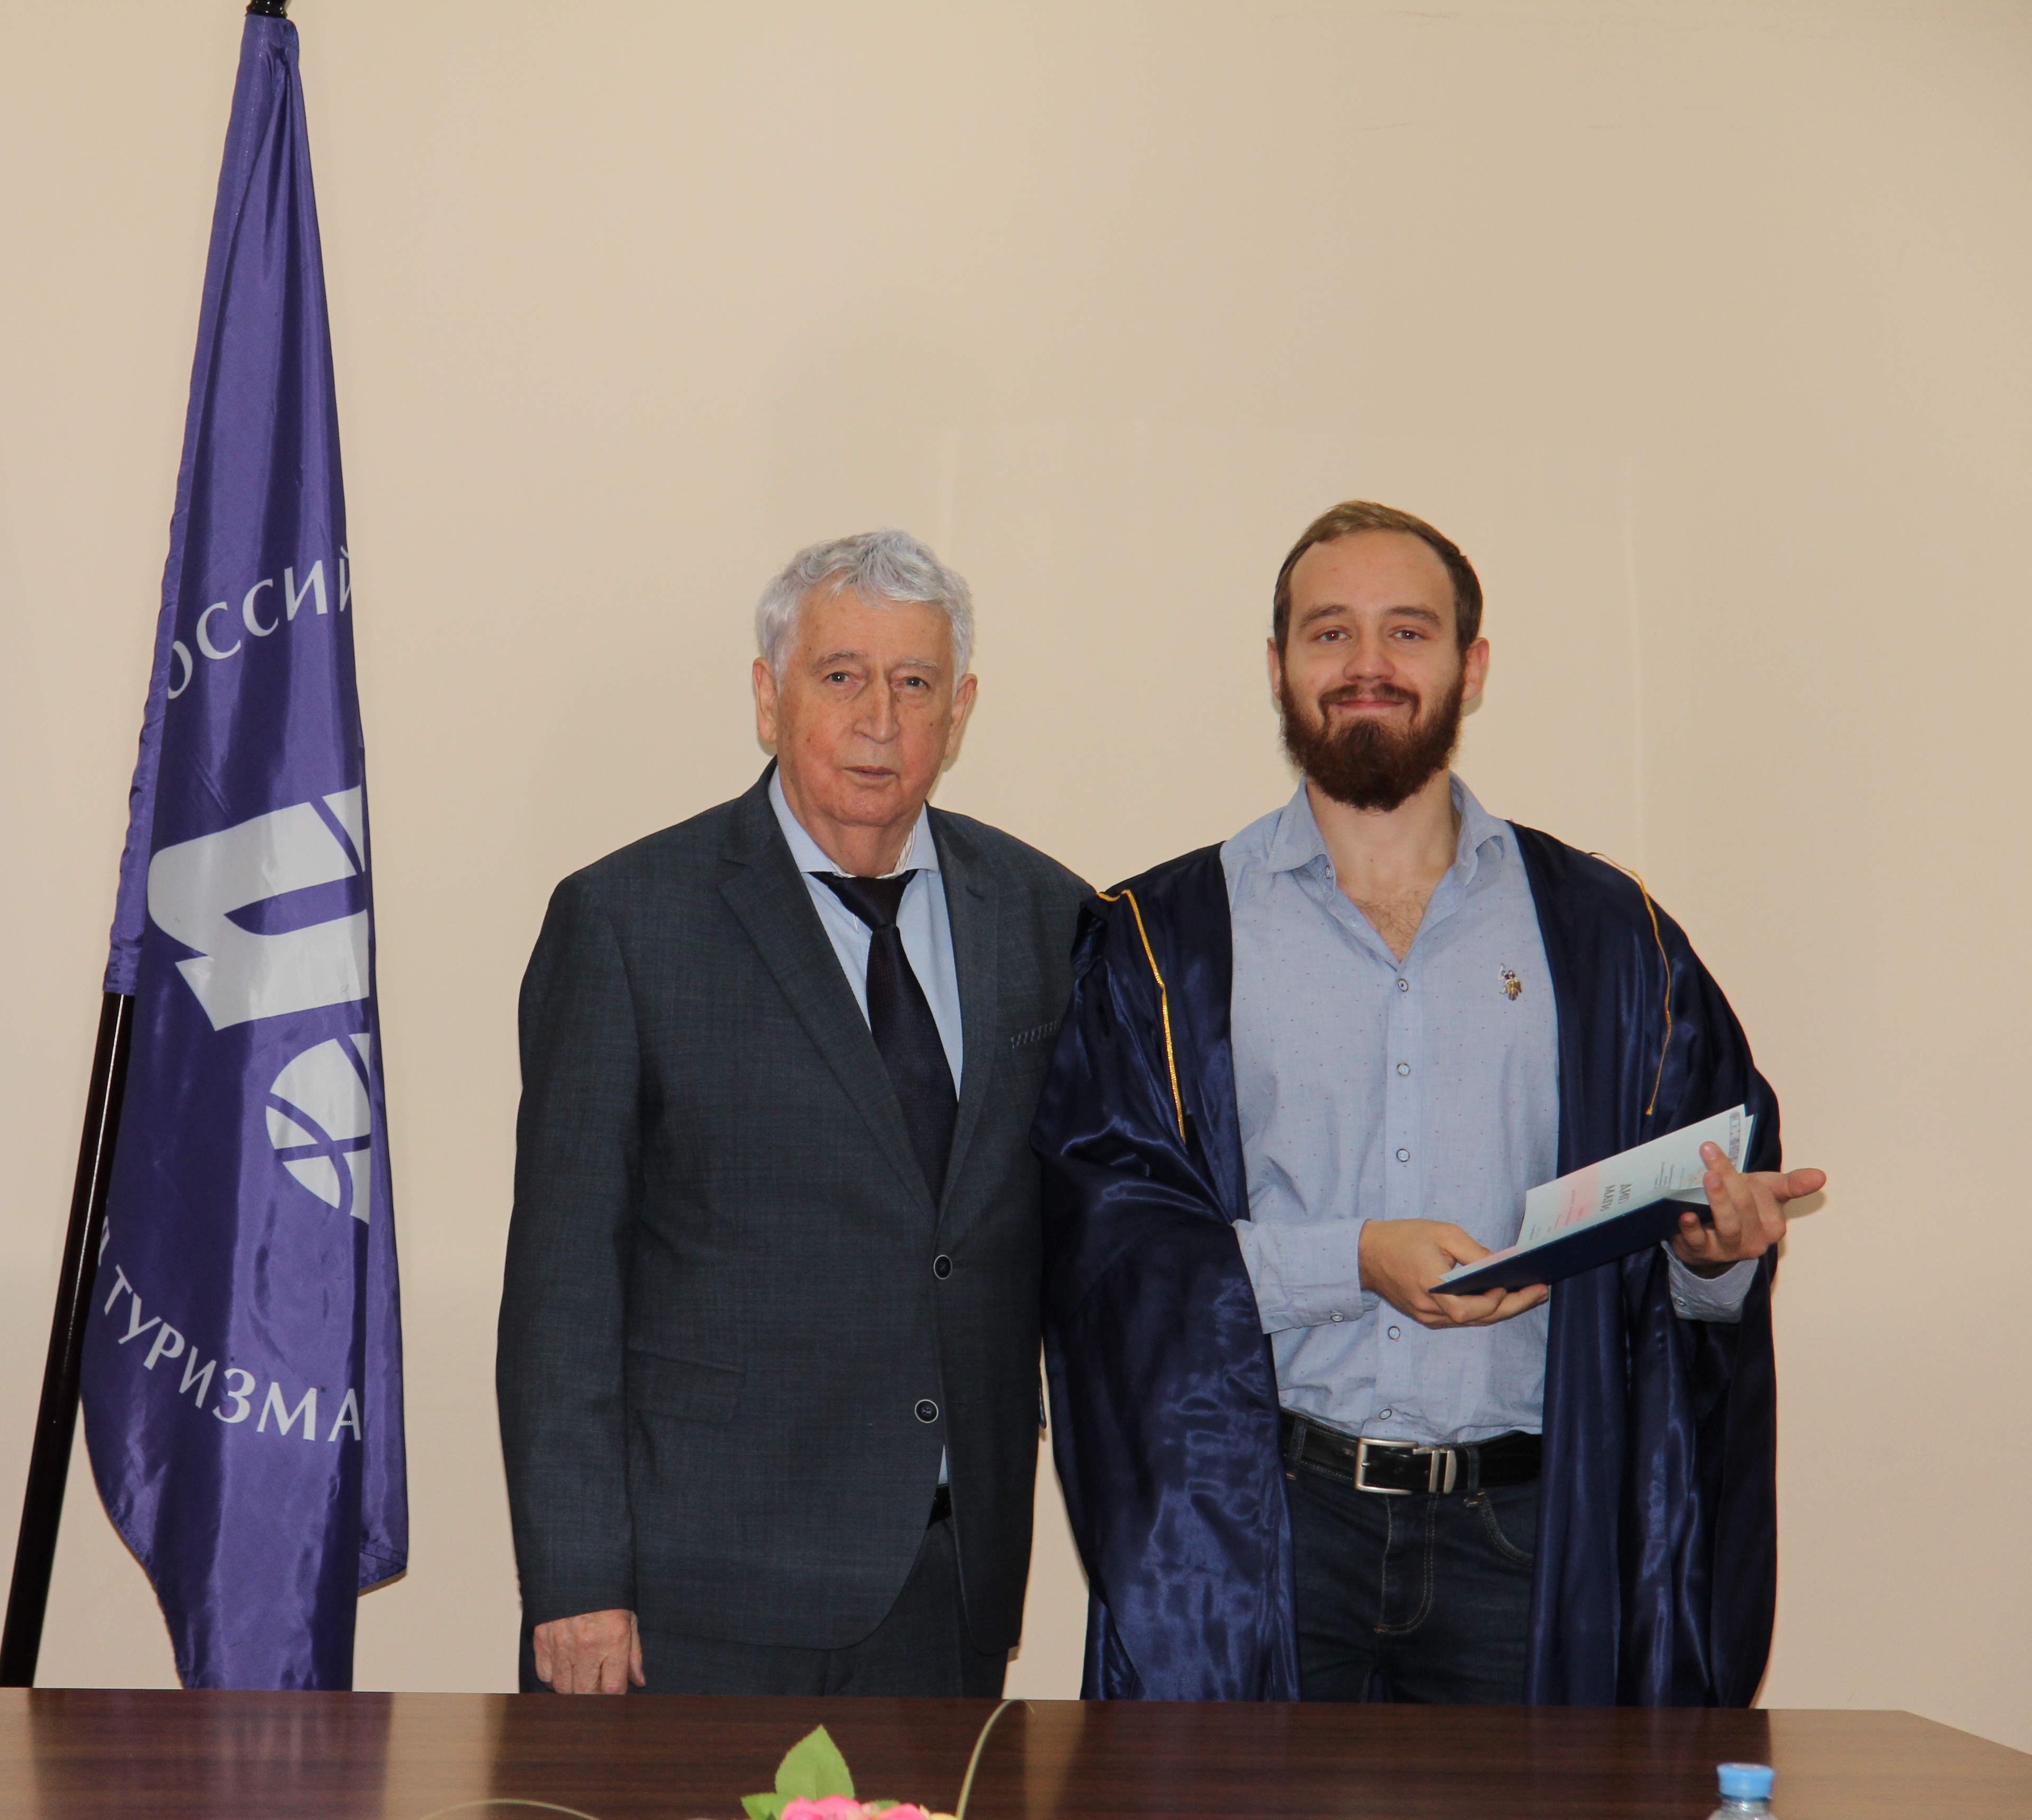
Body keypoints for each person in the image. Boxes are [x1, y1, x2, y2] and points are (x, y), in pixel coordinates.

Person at [1037, 501, 1822, 1706]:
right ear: (1277, 667)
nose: (1369, 664)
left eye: (1408, 631)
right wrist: (1353, 1258)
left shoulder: (1611, 940)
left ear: (1474, 666)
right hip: (1269, 1534)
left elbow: (1686, 1242)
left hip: (1531, 1543)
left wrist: (1717, 1258)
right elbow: (1111, 1252)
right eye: (1330, 633)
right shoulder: (1165, 943)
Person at [497, 529, 1090, 1696]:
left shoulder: (1047, 917)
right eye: (842, 675)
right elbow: (564, 1288)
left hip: (946, 1590)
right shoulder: (628, 923)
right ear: (769, 698)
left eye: (914, 683)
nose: (880, 719)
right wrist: (575, 1581)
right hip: (694, 1598)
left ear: (960, 712)